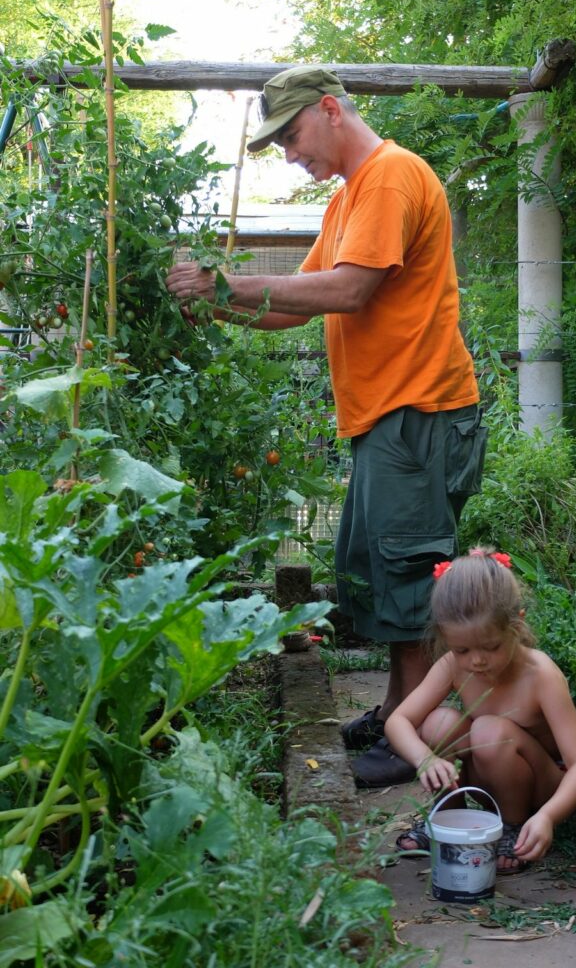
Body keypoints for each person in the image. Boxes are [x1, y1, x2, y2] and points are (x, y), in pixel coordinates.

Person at [165, 66, 486, 788]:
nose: (289, 154)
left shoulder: (391, 177)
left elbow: (349, 288)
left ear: (331, 109)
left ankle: (414, 734)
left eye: (292, 135)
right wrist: (215, 303)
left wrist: (227, 284)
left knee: (408, 580)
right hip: (390, 416)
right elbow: (300, 306)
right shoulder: (350, 198)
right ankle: (399, 713)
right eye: (278, 142)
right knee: (376, 576)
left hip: (421, 410)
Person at [384, 548, 576, 872]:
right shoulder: (453, 665)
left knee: (488, 730)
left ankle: (512, 827)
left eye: (491, 647)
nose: (477, 661)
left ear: (517, 625)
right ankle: (447, 816)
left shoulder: (541, 675)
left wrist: (548, 816)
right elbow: (398, 721)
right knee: (438, 723)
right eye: (462, 649)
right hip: (485, 782)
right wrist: (424, 758)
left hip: (538, 789)